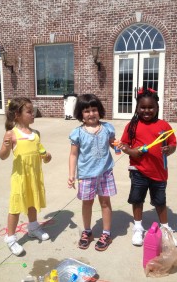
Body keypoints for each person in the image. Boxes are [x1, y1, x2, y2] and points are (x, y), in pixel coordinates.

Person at [119, 88, 177, 247]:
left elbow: (173, 143)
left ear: (157, 108)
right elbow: (123, 144)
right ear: (137, 108)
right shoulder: (132, 126)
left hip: (159, 172)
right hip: (138, 171)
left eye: (150, 107)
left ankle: (165, 229)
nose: (146, 111)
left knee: (160, 201)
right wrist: (132, 151)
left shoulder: (164, 125)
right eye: (142, 107)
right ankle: (138, 227)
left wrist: (169, 150)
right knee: (137, 200)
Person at [0, 97, 52, 256]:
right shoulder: (11, 134)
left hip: (34, 175)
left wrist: (47, 157)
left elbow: (41, 152)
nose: (33, 114)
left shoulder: (36, 134)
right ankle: (10, 237)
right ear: (17, 115)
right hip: (20, 176)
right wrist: (7, 147)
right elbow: (2, 156)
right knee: (15, 206)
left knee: (32, 202)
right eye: (29, 111)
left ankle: (33, 227)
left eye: (32, 111)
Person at [68, 94, 117, 251]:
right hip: (87, 174)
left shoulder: (107, 128)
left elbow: (113, 144)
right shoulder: (78, 132)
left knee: (105, 202)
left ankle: (106, 233)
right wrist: (71, 174)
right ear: (80, 114)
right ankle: (87, 231)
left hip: (105, 173)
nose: (91, 113)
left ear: (99, 111)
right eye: (86, 110)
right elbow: (73, 154)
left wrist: (118, 146)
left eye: (94, 110)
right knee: (87, 203)